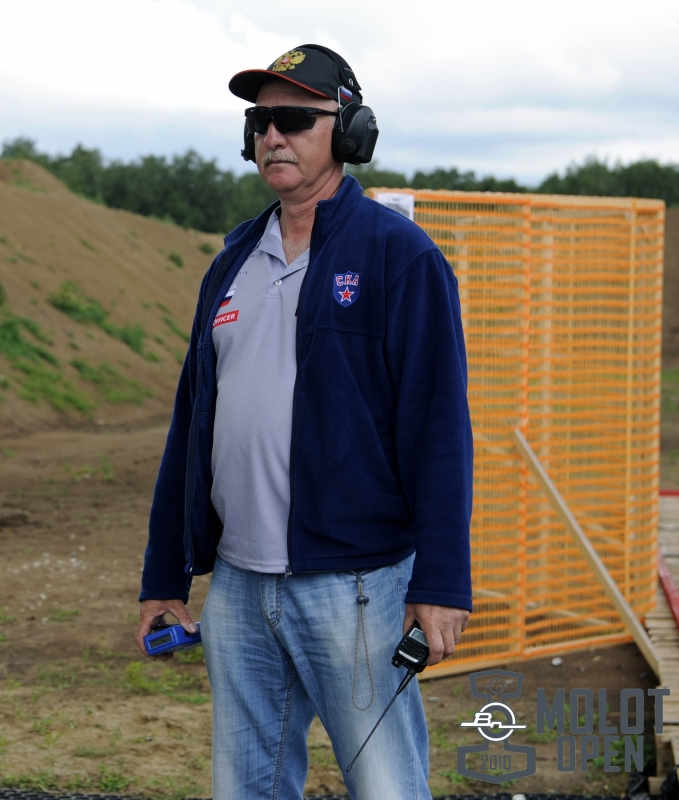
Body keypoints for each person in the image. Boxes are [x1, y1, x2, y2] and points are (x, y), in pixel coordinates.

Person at [134, 45, 473, 799]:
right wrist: (164, 575)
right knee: (245, 789)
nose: (272, 137)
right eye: (259, 122)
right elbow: (191, 427)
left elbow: (440, 428)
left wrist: (443, 583)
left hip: (355, 589)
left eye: (293, 119)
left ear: (349, 132)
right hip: (239, 589)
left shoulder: (399, 256)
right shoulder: (231, 263)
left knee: (386, 788)